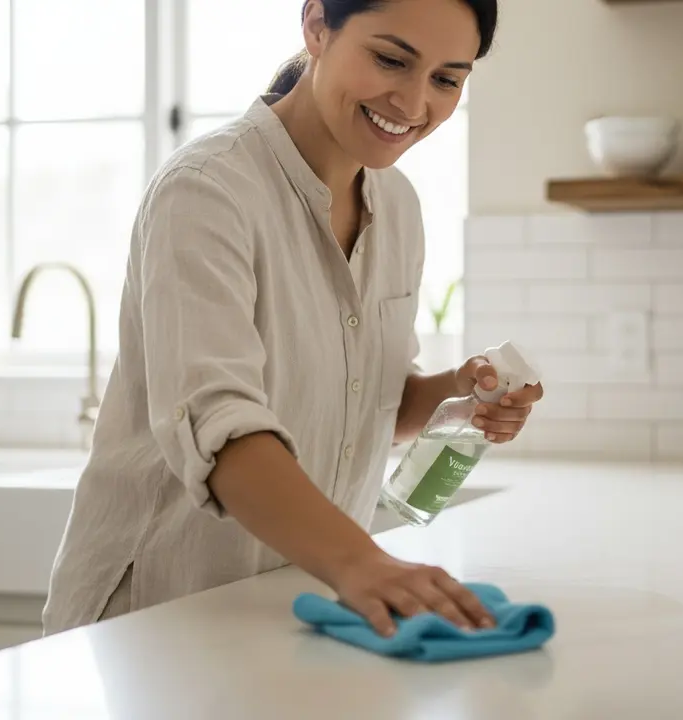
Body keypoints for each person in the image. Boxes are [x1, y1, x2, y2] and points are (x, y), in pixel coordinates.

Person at [40, 0, 538, 640]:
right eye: (391, 59)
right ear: (317, 26)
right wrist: (362, 562)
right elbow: (221, 428)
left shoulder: (398, 206)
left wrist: (458, 396)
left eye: (446, 78)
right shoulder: (206, 191)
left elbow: (364, 407)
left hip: (300, 608)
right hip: (157, 618)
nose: (415, 103)